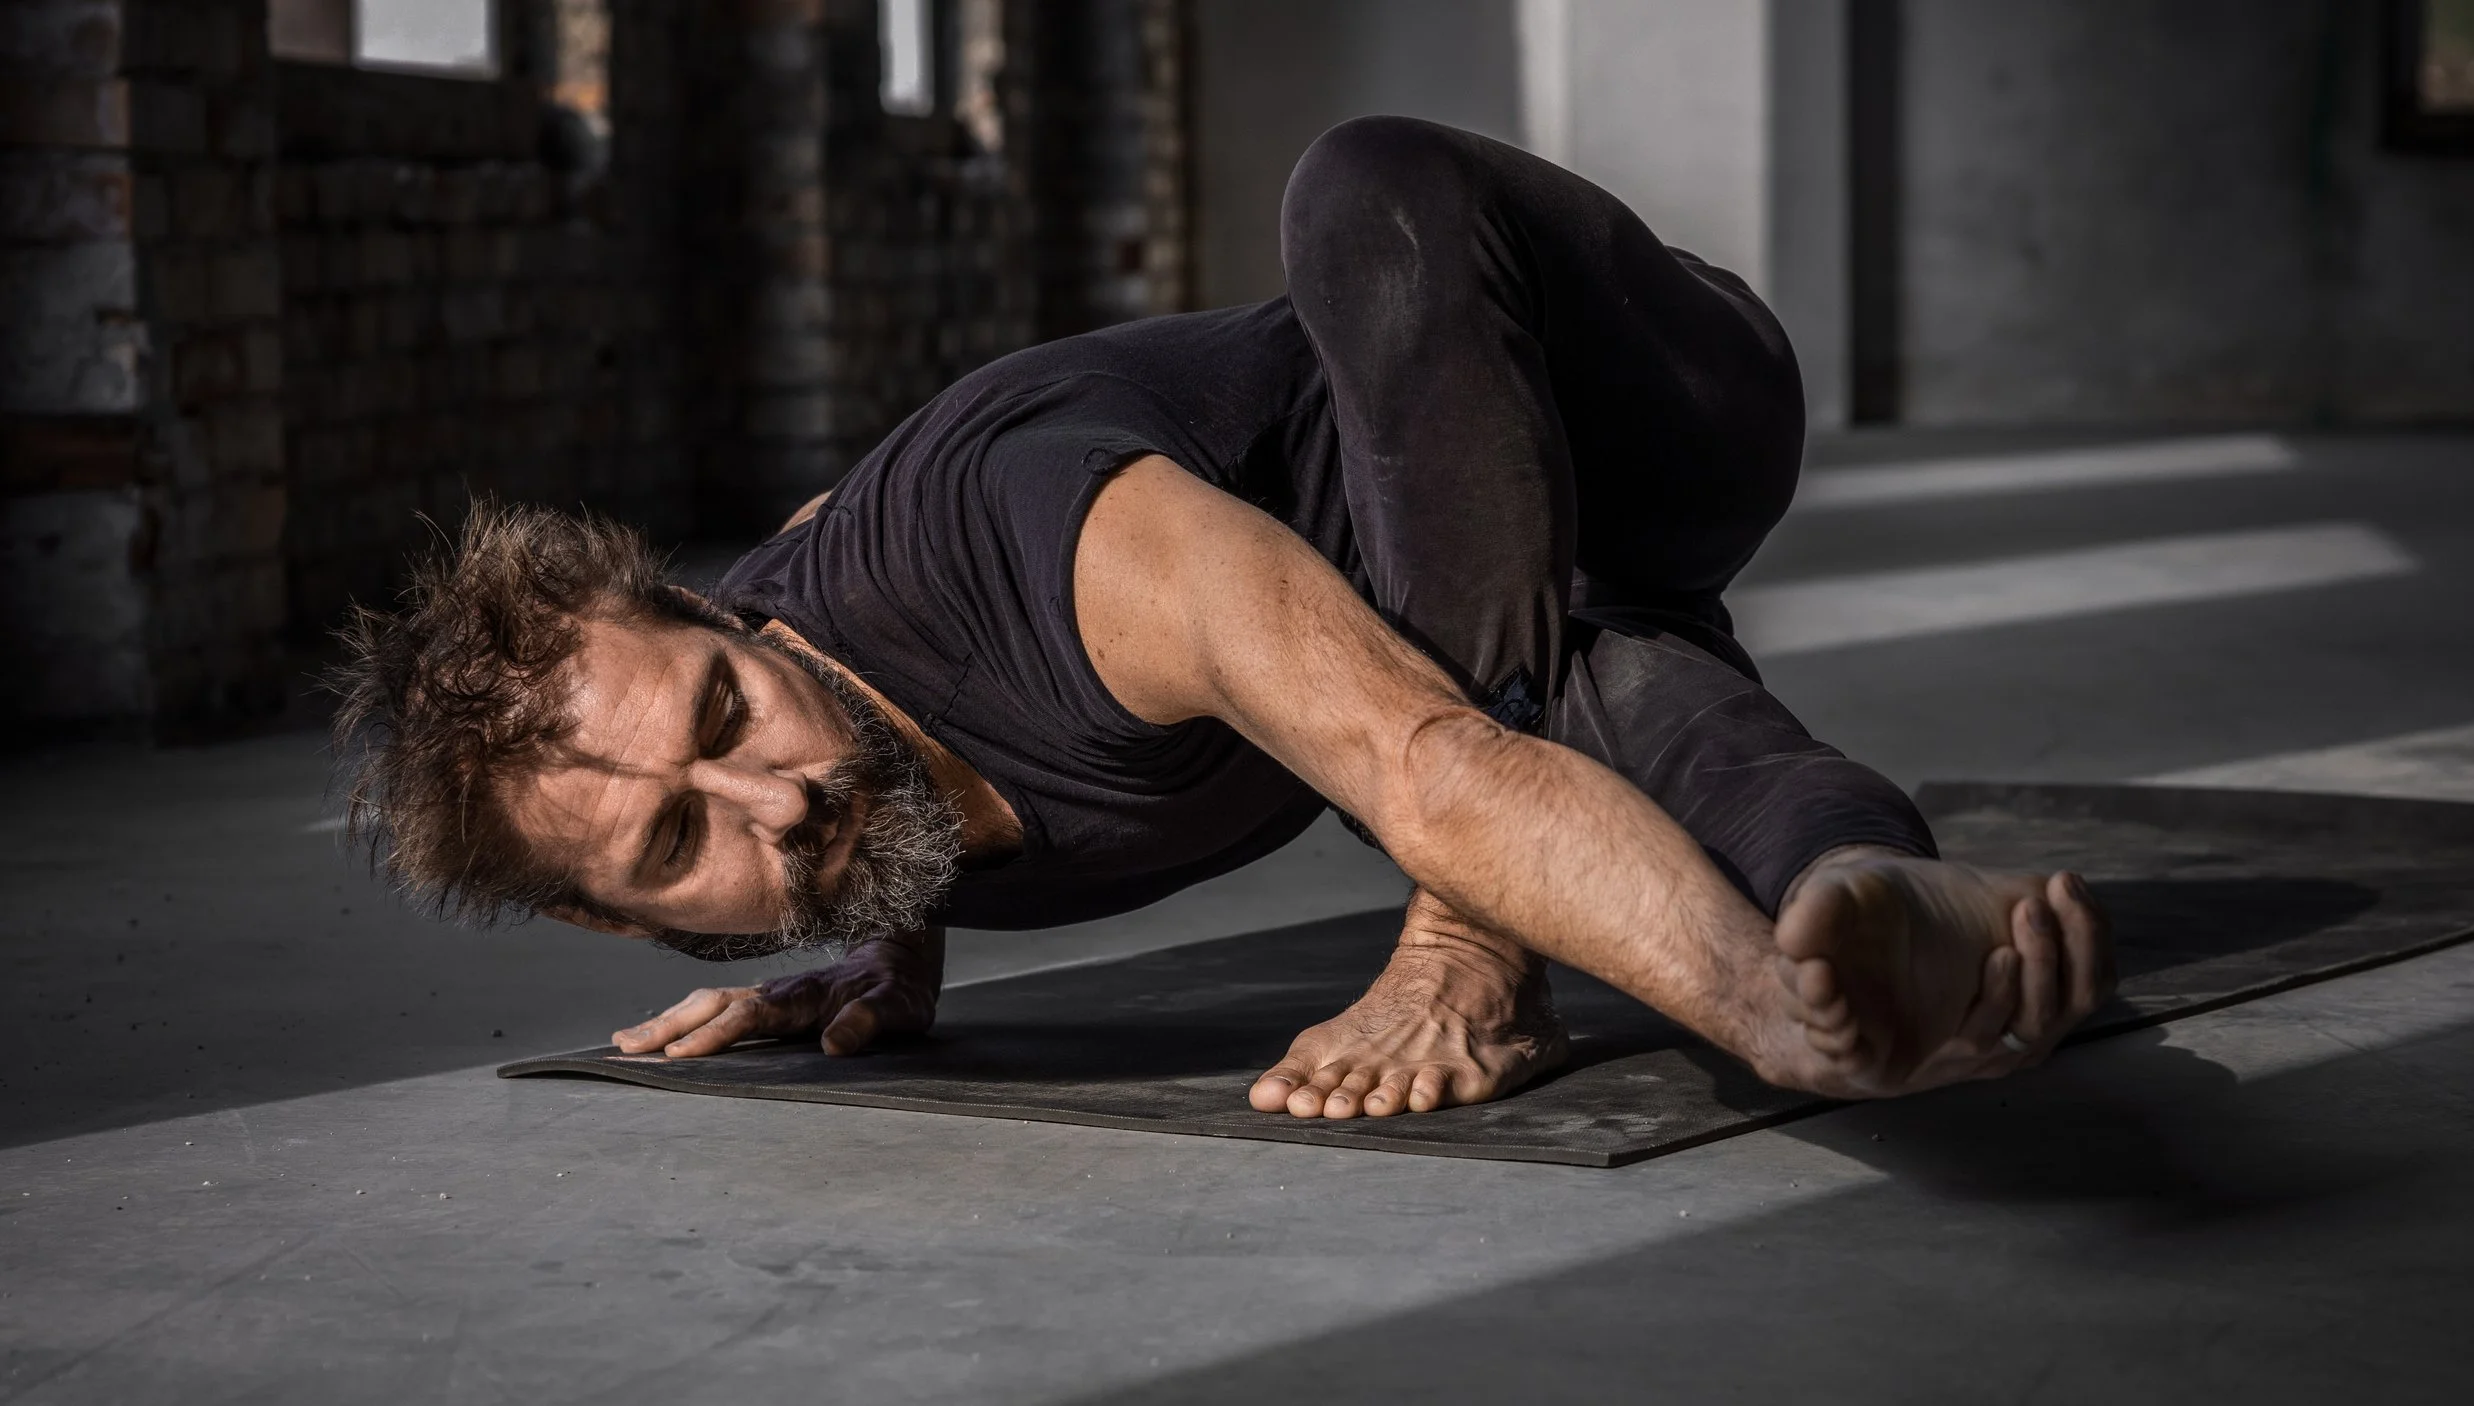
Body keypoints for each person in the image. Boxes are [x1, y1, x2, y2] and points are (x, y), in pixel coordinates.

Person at [336, 118, 2110, 1121]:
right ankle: (1879, 897)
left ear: (733, 624)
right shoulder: (827, 763)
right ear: (613, 918)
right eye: (674, 839)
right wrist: (885, 939)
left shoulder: (1049, 554)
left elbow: (1430, 754)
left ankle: (1637, 947)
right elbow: (828, 721)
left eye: (726, 718)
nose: (775, 800)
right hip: (1549, 625)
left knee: (1364, 195)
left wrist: (1651, 996)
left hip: (1623, 382)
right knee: (1654, 725)